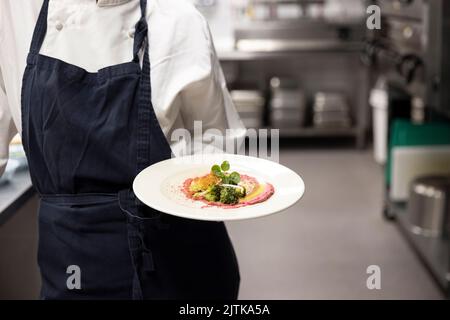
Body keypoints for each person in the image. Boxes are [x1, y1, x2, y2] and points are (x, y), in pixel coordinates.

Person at [0, 0, 244, 299]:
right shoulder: (15, 11)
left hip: (175, 262)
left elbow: (217, 147)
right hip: (73, 260)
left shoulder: (179, 19)